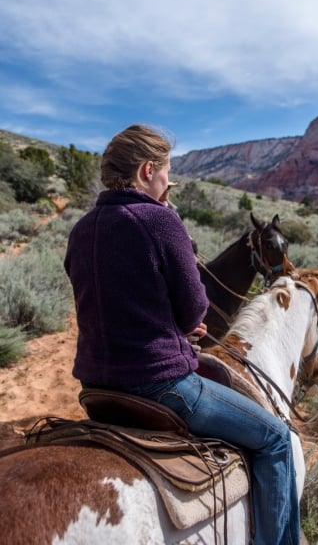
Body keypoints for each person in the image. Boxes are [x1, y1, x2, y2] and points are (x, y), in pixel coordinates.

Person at [64, 124, 300, 545]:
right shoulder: (159, 220)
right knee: (277, 440)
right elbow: (196, 308)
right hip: (162, 386)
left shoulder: (81, 229)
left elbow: (111, 298)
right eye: (166, 173)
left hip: (95, 386)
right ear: (147, 170)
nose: (168, 182)